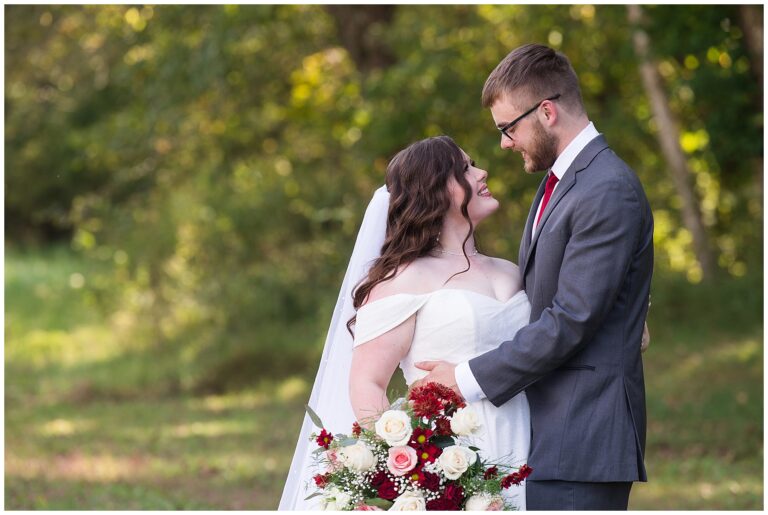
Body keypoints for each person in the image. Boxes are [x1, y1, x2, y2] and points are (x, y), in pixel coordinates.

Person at [414, 44, 654, 510]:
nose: (504, 143)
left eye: (508, 128)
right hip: (548, 432)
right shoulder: (560, 182)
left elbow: (571, 319)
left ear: (546, 112)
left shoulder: (607, 188)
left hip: (584, 434)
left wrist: (463, 379)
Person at [279, 135, 533, 510]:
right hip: (458, 457)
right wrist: (408, 465)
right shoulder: (402, 280)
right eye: (465, 168)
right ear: (433, 189)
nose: (482, 172)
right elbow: (368, 383)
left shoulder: (511, 270)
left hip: (532, 441)